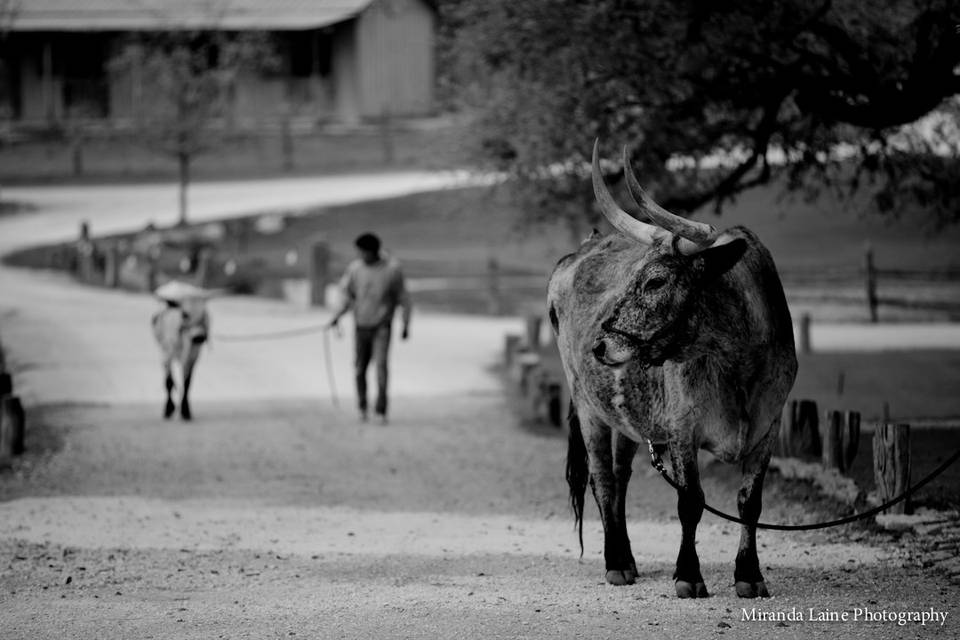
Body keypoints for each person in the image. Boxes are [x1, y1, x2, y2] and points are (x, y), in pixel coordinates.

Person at [327, 233, 411, 424]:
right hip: (361, 326)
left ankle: (381, 409)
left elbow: (403, 298)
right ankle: (362, 406)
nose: (361, 256)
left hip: (382, 326)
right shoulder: (355, 269)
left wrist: (406, 323)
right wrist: (336, 316)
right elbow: (347, 296)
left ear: (373, 251)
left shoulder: (392, 270)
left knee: (381, 367)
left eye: (363, 252)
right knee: (359, 368)